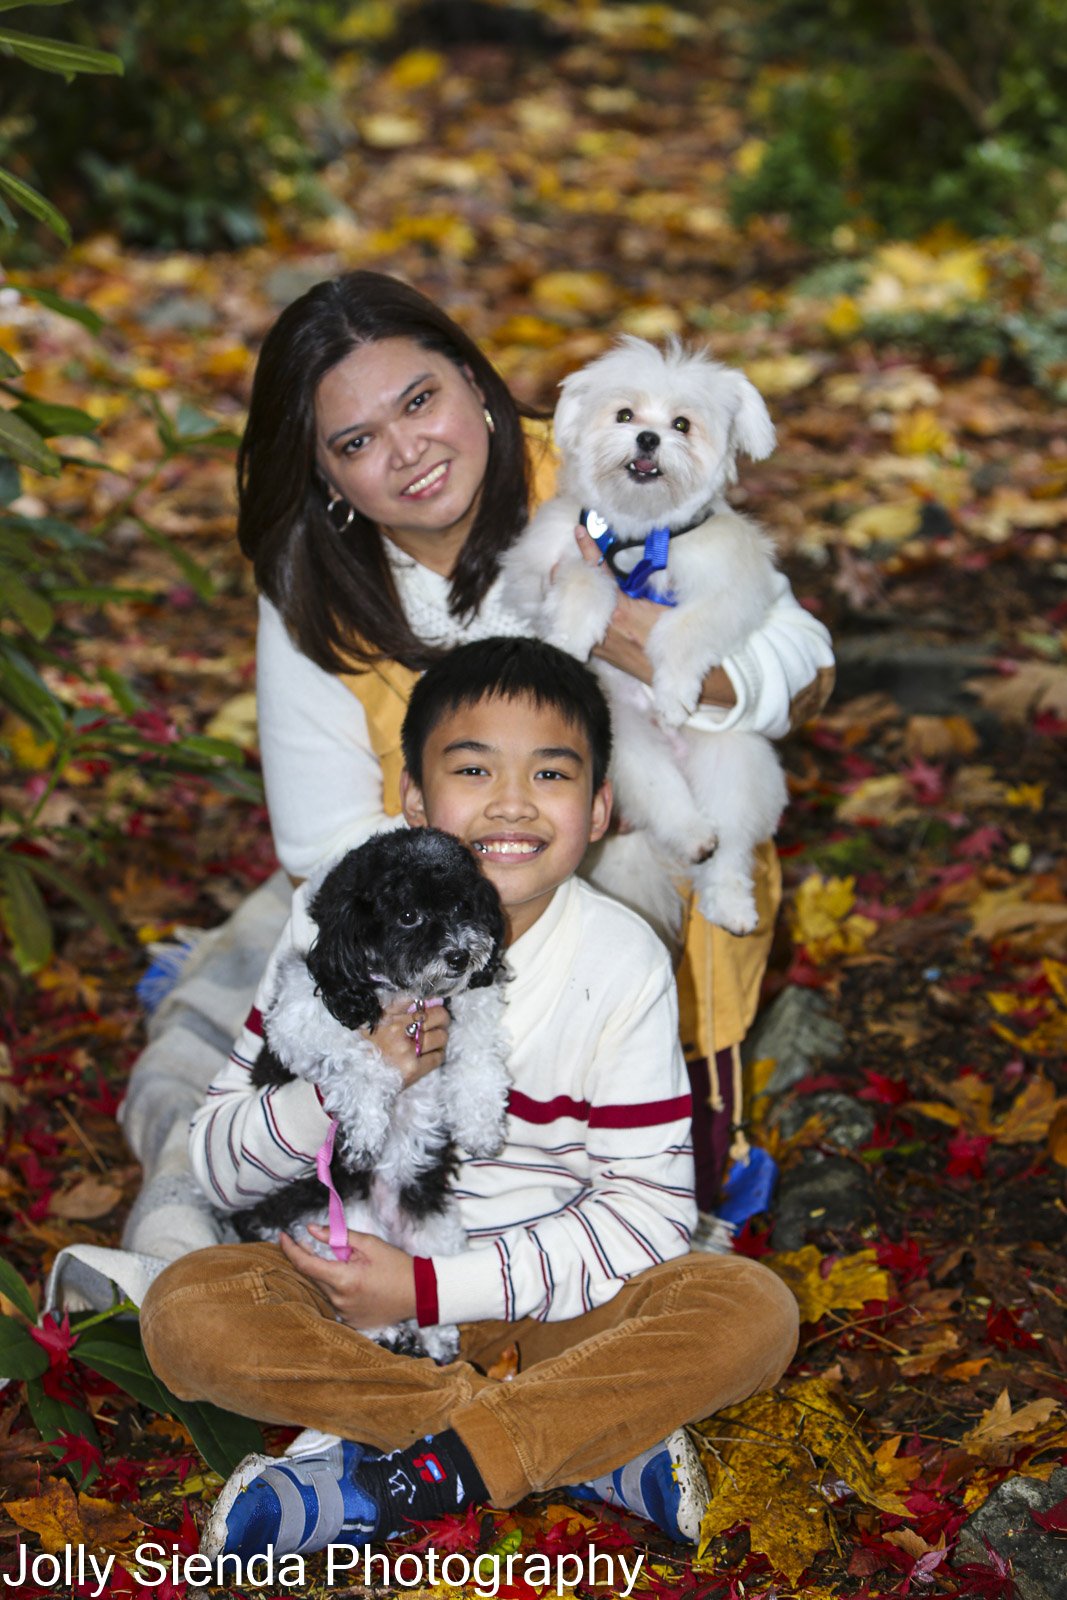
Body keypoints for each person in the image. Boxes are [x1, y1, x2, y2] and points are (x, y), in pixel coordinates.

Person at [117, 269, 834, 1268]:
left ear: (471, 376)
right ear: (326, 474)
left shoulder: (603, 454)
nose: (407, 450)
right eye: (356, 442)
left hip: (639, 903)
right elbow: (320, 839)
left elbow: (803, 665)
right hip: (429, 933)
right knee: (317, 1130)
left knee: (640, 1209)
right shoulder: (315, 585)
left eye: (420, 400)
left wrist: (653, 652)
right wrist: (467, 890)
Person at [140, 638, 800, 1560]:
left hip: (555, 1311)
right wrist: (343, 1084)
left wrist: (425, 1287)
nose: (512, 801)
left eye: (552, 772)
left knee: (747, 1309)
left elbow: (648, 1216)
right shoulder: (332, 921)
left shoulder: (620, 960)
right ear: (412, 798)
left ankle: (407, 1469)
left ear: (602, 808)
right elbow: (214, 1158)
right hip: (344, 1305)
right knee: (186, 1309)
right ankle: (568, 1441)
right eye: (473, 766)